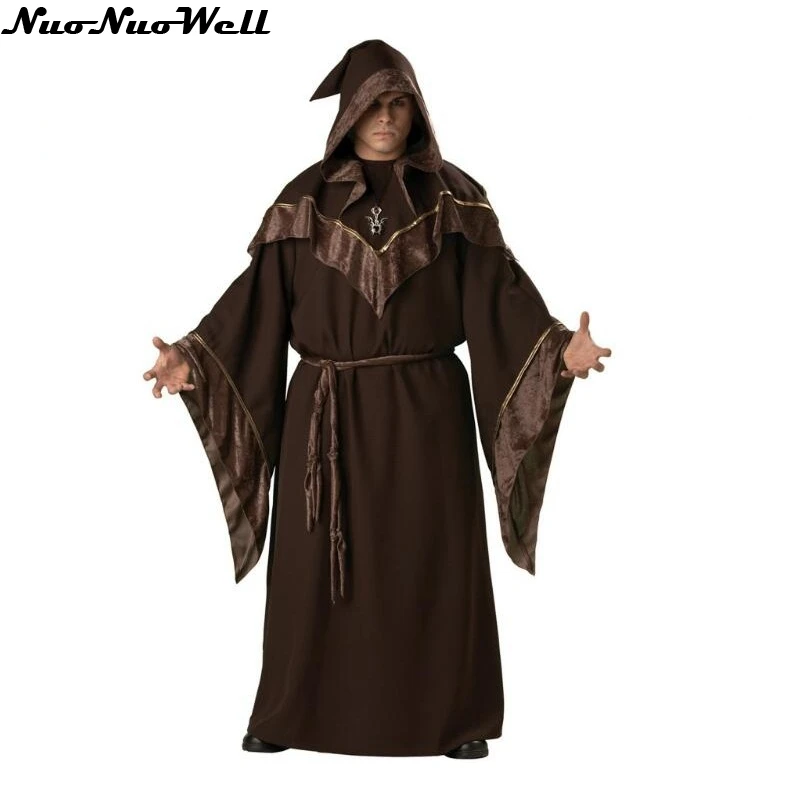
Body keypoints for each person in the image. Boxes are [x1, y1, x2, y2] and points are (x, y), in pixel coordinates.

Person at [142, 39, 611, 759]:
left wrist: (556, 352)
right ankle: (291, 715)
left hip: (426, 413)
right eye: (372, 104)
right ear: (348, 112)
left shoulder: (454, 199)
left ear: (416, 110)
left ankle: (453, 720)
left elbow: (502, 301)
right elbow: (254, 305)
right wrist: (193, 357)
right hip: (323, 415)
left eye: (398, 103)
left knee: (432, 558)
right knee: (312, 568)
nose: (386, 118)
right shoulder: (302, 202)